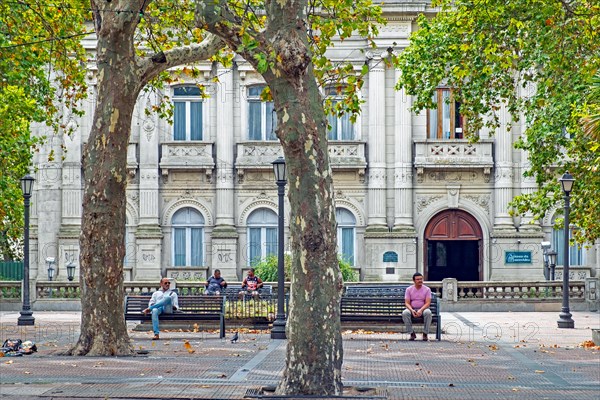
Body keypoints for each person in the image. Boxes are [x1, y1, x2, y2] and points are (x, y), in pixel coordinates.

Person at [402, 272, 432, 341]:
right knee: (405, 313)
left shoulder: (427, 289)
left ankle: (425, 333)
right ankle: (411, 333)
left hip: (423, 308)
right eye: (418, 279)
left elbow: (428, 303)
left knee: (428, 313)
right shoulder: (409, 289)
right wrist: (412, 310)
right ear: (414, 281)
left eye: (421, 279)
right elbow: (407, 303)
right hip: (411, 309)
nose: (420, 281)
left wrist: (421, 310)